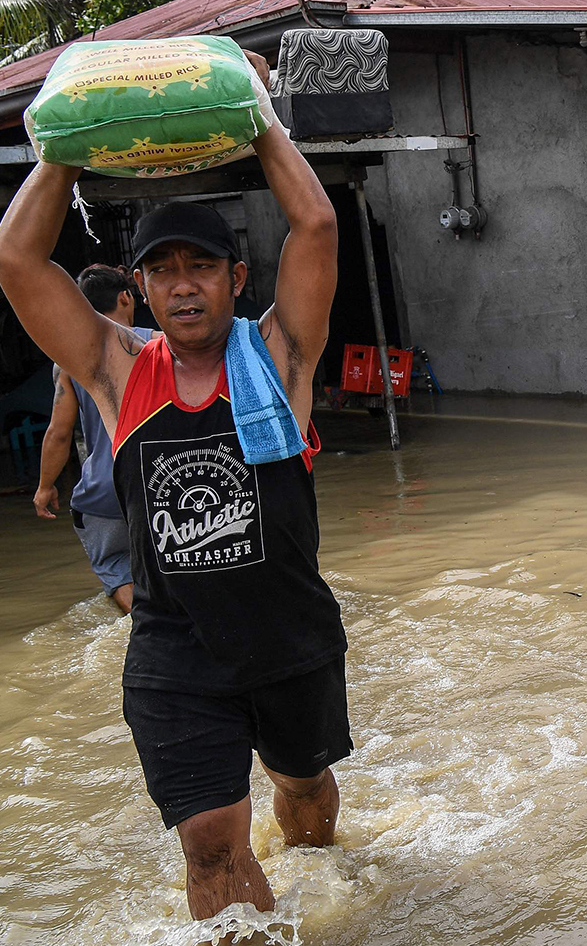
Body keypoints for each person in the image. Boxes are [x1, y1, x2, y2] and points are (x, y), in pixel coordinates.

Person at [0, 58, 348, 920]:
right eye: (163, 270)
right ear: (143, 289)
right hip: (173, 652)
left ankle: (332, 881)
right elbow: (16, 256)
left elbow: (314, 224)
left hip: (289, 635)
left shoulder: (279, 359)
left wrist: (261, 116)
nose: (183, 282)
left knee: (304, 799)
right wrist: (67, 145)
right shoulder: (117, 371)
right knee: (209, 848)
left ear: (237, 279)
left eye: (203, 266)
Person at [33, 265, 153, 614]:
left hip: (102, 492)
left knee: (118, 570)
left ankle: (141, 625)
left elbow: (59, 432)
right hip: (155, 482)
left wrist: (44, 486)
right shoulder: (158, 345)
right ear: (125, 297)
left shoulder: (68, 361)